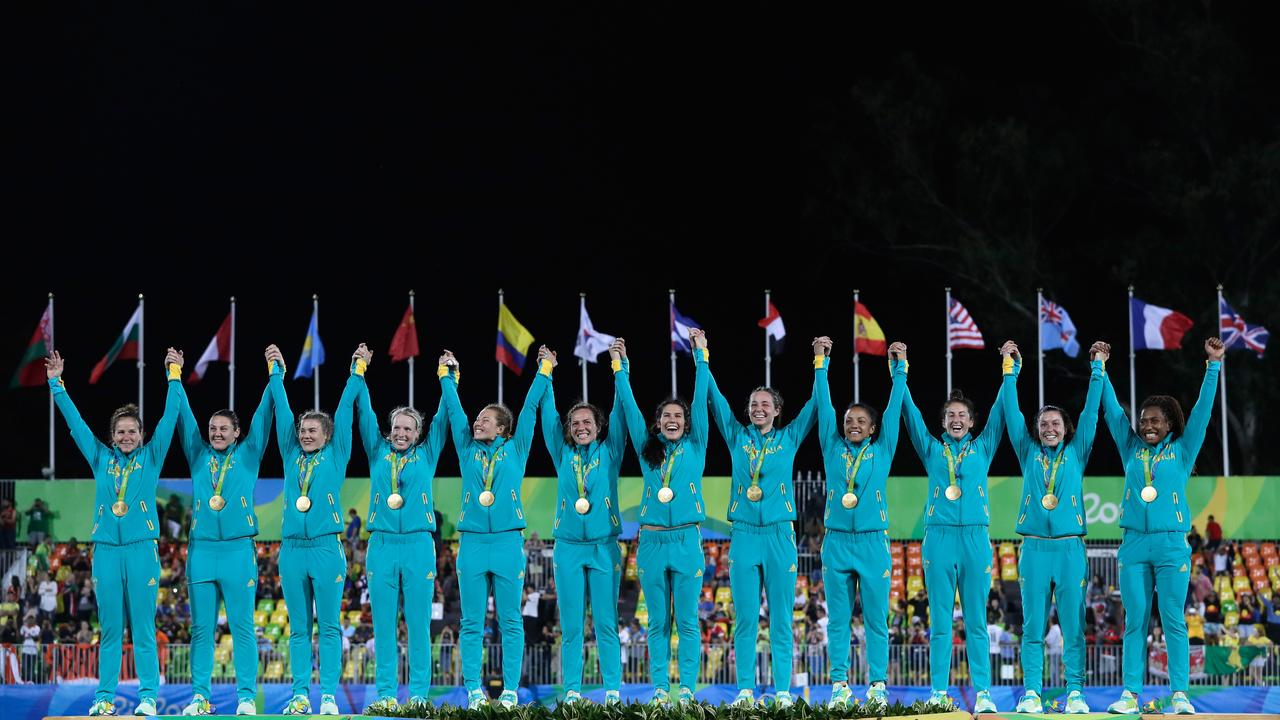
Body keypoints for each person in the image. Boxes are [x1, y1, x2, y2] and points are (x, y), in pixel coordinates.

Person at [47, 348, 183, 716]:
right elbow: (76, 425)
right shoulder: (100, 459)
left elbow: (170, 419)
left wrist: (173, 375)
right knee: (109, 629)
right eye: (120, 431)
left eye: (132, 431)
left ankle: (149, 698)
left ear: (141, 435)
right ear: (112, 436)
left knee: (143, 628)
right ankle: (104, 698)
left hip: (142, 549)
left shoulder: (151, 458)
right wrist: (57, 385)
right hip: (106, 550)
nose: (126, 436)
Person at [1100, 337, 1224, 715]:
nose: (1147, 425)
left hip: (1172, 544)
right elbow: (1110, 413)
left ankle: (1180, 694)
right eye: (1143, 420)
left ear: (1168, 423)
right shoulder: (1130, 449)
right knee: (1135, 620)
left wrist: (1213, 365)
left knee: (1173, 619)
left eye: (1155, 420)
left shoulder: (1183, 450)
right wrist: (1100, 370)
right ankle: (1130, 695)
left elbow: (1203, 411)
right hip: (1134, 544)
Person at [705, 329, 820, 707]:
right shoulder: (737, 438)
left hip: (778, 535)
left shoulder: (788, 438)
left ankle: (784, 692)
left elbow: (815, 405)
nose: (758, 408)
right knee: (746, 621)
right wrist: (702, 357)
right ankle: (745, 692)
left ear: (776, 410)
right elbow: (716, 401)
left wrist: (821, 361)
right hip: (743, 534)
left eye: (765, 404)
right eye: (754, 403)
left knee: (782, 620)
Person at [439, 348, 550, 709]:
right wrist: (447, 376)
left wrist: (544, 370)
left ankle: (510, 692)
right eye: (478, 419)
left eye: (485, 420)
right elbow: (454, 412)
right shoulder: (466, 448)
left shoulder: (516, 449)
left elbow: (531, 409)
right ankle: (473, 690)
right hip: (471, 542)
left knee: (510, 620)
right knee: (471, 622)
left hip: (506, 542)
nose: (477, 423)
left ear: (503, 428)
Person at [900, 345, 1008, 712]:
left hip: (976, 536)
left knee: (977, 621)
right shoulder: (932, 450)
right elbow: (910, 416)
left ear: (972, 422)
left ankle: (984, 693)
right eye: (950, 415)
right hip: (940, 538)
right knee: (941, 621)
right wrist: (901, 371)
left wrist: (1009, 370)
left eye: (962, 414)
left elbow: (1000, 411)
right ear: (943, 421)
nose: (956, 419)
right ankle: (938, 692)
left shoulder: (984, 446)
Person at [1002, 339, 1106, 713]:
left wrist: (1097, 369)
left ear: (1066, 429)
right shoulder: (1027, 451)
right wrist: (1010, 371)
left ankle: (1074, 693)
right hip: (1033, 548)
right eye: (1043, 423)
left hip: (1069, 548)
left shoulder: (1077, 453)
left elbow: (1092, 413)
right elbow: (1011, 413)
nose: (1048, 428)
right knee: (1033, 627)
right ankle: (1032, 693)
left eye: (1055, 423)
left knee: (1073, 626)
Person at [172, 348, 278, 716]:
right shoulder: (198, 455)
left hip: (237, 551)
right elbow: (183, 417)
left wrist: (273, 372)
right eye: (213, 429)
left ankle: (246, 697)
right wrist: (175, 374)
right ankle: (199, 697)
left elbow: (265, 415)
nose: (216, 433)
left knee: (242, 628)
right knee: (201, 630)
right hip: (201, 552)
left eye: (224, 429)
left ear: (237, 434)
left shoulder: (248, 455)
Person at [351, 343, 450, 712]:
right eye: (396, 427)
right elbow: (364, 413)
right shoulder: (377, 451)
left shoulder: (428, 452)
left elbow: (444, 415)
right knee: (384, 627)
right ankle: (386, 695)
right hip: (382, 544)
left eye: (408, 428)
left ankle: (420, 695)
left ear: (418, 432)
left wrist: (447, 377)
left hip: (419, 545)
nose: (401, 433)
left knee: (419, 624)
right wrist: (359, 369)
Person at [615, 335, 711, 705]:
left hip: (687, 541)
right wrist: (621, 366)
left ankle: (686, 689)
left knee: (687, 621)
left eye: (678, 416)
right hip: (652, 544)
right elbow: (629, 405)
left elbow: (701, 397)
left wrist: (701, 356)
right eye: (666, 416)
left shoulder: (697, 443)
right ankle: (659, 689)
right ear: (658, 423)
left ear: (687, 424)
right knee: (658, 623)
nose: (672, 420)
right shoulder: (647, 449)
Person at [267, 344, 361, 716]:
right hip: (291, 550)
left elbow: (344, 412)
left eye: (312, 431)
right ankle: (300, 694)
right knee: (298, 629)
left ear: (327, 436)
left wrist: (356, 372)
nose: (305, 435)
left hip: (325, 548)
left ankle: (328, 697)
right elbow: (282, 414)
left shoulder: (337, 455)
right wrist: (276, 372)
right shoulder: (291, 455)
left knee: (330, 627)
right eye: (303, 430)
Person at [812, 337, 907, 708]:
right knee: (838, 620)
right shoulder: (831, 446)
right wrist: (821, 362)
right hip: (836, 542)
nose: (853, 424)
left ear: (872, 429)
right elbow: (824, 405)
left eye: (861, 421)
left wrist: (900, 370)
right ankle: (839, 686)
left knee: (875, 621)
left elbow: (895, 408)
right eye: (849, 420)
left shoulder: (882, 449)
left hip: (872, 542)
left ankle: (878, 686)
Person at [538, 344, 628, 705]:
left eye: (587, 422)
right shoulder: (562, 454)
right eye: (575, 424)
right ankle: (572, 691)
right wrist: (547, 371)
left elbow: (623, 411)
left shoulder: (612, 450)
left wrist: (619, 366)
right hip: (569, 547)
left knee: (606, 624)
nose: (580, 427)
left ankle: (612, 692)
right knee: (572, 627)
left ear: (598, 426)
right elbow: (546, 414)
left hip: (605, 546)